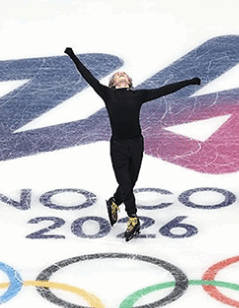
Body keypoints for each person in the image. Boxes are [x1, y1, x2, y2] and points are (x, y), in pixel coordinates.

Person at [65, 47, 200, 241]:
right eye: (117, 75)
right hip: (118, 146)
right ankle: (133, 218)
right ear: (112, 84)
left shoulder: (138, 96)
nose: (121, 75)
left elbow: (164, 90)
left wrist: (188, 82)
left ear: (129, 82)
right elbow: (88, 77)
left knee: (131, 182)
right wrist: (73, 56)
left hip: (137, 144)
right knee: (126, 183)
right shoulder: (107, 94)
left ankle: (114, 201)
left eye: (124, 75)